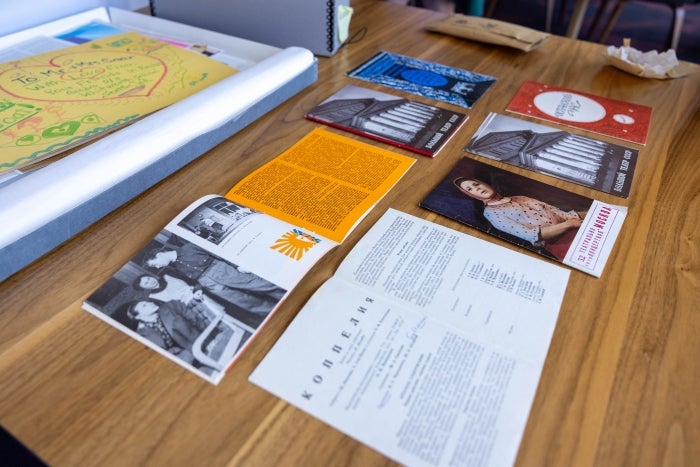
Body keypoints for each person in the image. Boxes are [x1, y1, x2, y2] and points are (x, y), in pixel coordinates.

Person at [454, 177, 586, 260]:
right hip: (560, 244)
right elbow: (533, 235)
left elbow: (558, 213)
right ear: (470, 195)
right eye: (470, 189)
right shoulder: (492, 213)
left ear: (484, 183)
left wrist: (585, 216)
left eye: (476, 184)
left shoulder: (519, 197)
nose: (477, 189)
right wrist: (567, 225)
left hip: (577, 228)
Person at [144, 242, 285, 318]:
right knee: (244, 301)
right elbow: (193, 282)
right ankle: (274, 314)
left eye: (155, 264)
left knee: (261, 285)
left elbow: (218, 253)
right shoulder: (173, 269)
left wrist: (237, 265)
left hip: (221, 270)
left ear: (160, 254)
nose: (157, 267)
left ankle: (288, 296)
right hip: (208, 283)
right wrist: (199, 289)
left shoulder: (189, 247)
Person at [124, 299, 213, 365]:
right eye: (144, 305)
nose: (150, 303)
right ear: (138, 316)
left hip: (206, 345)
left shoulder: (172, 306)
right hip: (185, 363)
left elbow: (199, 322)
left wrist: (208, 341)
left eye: (146, 302)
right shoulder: (141, 335)